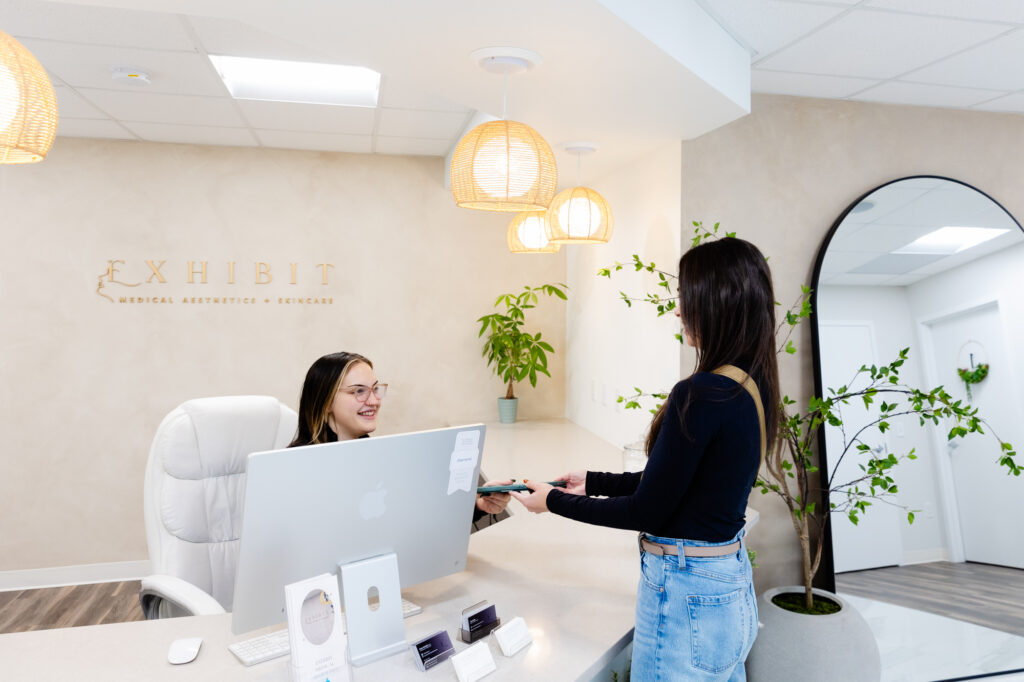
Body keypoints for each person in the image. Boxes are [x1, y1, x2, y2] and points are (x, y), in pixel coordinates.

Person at [511, 238, 780, 681]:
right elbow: (680, 482)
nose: (677, 312)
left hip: (686, 588)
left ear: (716, 303)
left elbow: (648, 510)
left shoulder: (699, 393)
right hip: (729, 584)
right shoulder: (752, 387)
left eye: (685, 299)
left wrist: (552, 502)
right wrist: (593, 480)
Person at [290, 351, 512, 522]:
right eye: (358, 391)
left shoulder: (380, 457)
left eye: (376, 389)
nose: (374, 401)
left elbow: (411, 523)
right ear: (326, 401)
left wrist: (477, 506)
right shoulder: (295, 468)